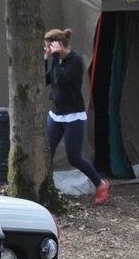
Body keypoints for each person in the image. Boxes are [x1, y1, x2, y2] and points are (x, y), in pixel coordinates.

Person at [43, 27, 109, 204]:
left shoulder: (76, 61)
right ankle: (45, 190)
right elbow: (45, 80)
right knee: (46, 155)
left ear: (59, 45)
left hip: (74, 116)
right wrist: (46, 60)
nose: (47, 49)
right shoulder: (56, 59)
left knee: (75, 157)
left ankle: (100, 184)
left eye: (49, 46)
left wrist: (56, 57)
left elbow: (61, 80)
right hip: (56, 115)